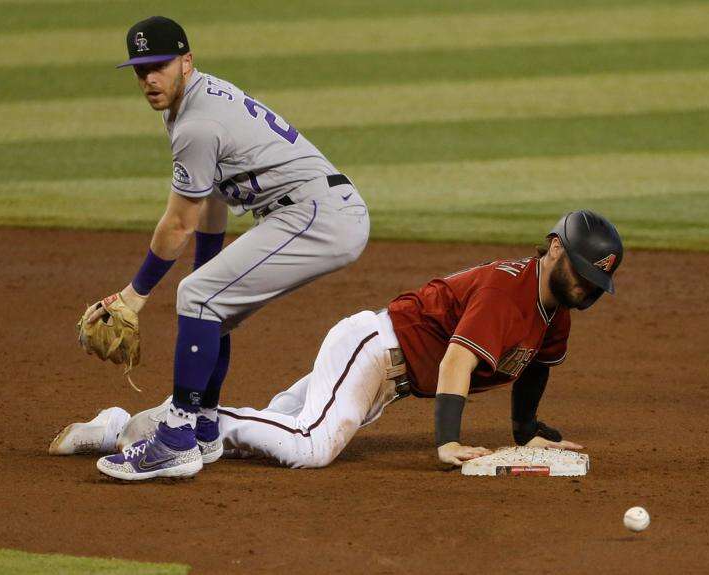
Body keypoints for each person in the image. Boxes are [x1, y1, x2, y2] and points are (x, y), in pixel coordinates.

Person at [55, 211, 622, 470]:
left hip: (387, 377)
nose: (586, 289)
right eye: (581, 273)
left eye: (595, 283)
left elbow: (536, 366)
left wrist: (525, 434)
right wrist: (446, 443)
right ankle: (193, 421)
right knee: (310, 447)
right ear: (554, 250)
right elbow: (455, 363)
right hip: (374, 348)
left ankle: (117, 428)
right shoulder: (509, 289)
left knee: (273, 424)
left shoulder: (557, 310)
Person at [84, 16, 370, 481]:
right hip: (312, 210)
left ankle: (176, 439)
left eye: (160, 66)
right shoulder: (192, 101)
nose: (150, 79)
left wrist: (134, 295)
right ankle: (204, 426)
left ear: (186, 62)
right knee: (210, 301)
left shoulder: (197, 122)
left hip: (319, 215)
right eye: (141, 70)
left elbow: (178, 223)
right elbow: (212, 189)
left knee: (199, 297)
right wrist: (207, 262)